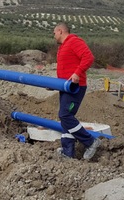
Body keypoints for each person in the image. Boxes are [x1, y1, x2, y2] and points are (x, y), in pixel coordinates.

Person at [53, 22, 101, 160]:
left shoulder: (74, 41)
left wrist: (77, 73)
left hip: (75, 87)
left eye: (54, 33)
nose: (53, 36)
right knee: (65, 118)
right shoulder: (63, 47)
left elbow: (89, 57)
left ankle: (91, 142)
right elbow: (65, 70)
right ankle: (68, 152)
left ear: (61, 31)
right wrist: (57, 84)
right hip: (65, 87)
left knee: (65, 115)